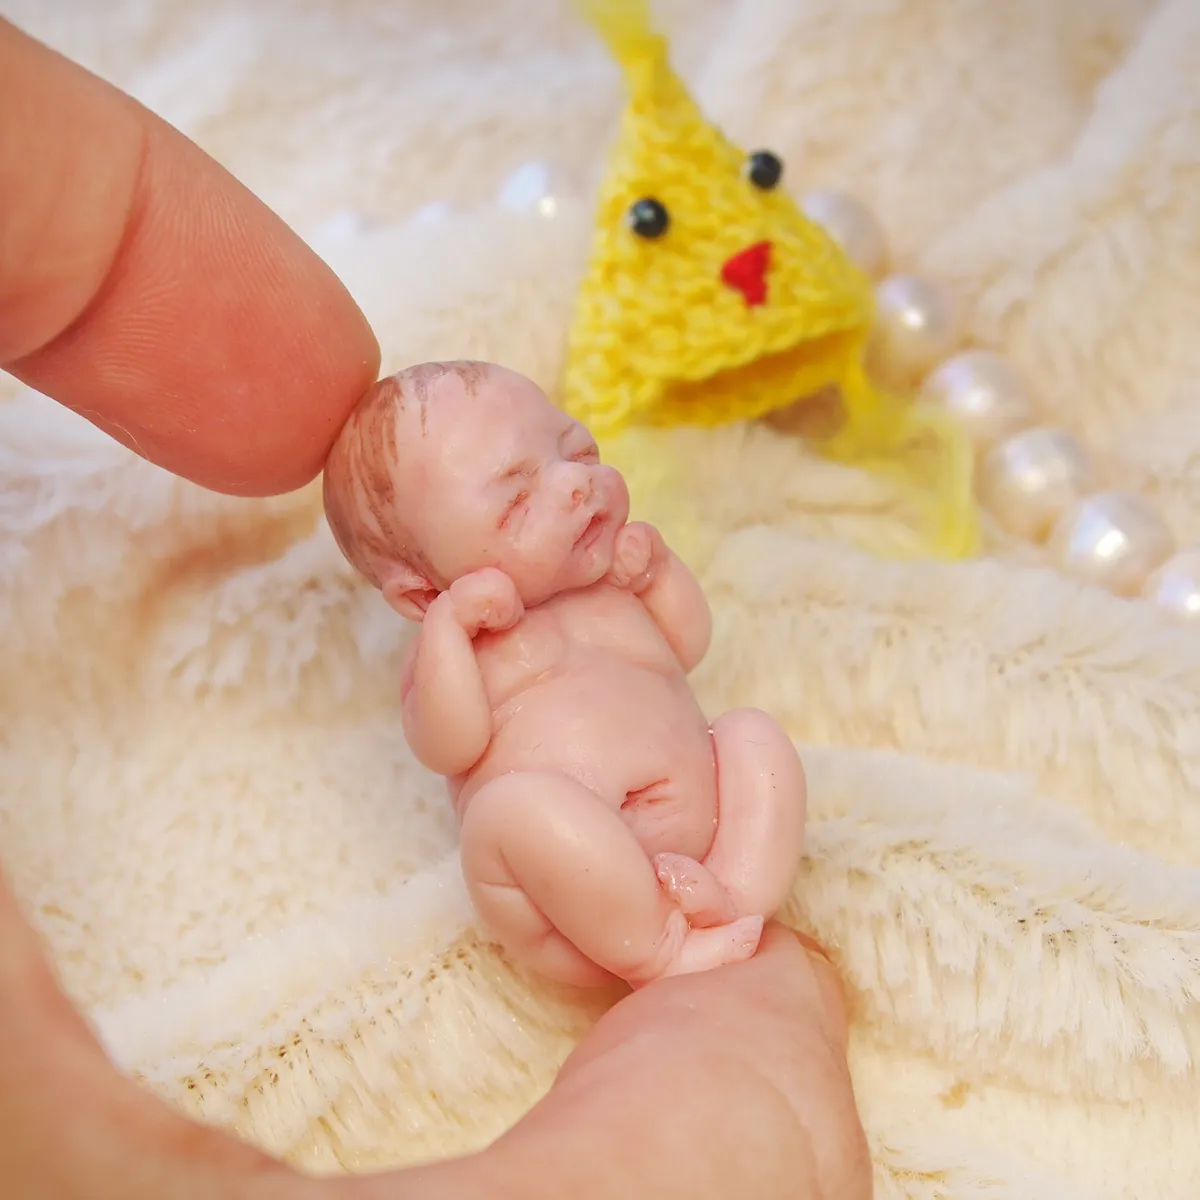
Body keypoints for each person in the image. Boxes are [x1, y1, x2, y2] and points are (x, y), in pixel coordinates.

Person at [0, 16, 873, 1200]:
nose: (575, 487)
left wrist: (660, 574)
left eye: (574, 452)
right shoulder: (467, 643)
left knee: (754, 737)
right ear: (421, 588)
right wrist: (456, 644)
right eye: (519, 496)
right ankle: (668, 945)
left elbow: (688, 648)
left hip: (695, 822)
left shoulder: (607, 590)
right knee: (513, 807)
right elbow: (449, 746)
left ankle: (745, 891)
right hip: (575, 891)